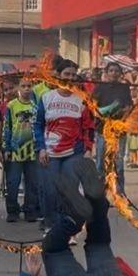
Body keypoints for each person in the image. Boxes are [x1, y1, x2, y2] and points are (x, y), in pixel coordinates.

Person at [15, 158, 138, 276]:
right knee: (54, 249)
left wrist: (113, 264)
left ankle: (97, 206)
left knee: (98, 243)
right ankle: (73, 219)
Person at [34, 59, 94, 231]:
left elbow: (88, 127)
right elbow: (38, 125)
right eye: (66, 74)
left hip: (73, 153)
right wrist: (41, 148)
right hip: (50, 153)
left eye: (74, 75)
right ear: (58, 76)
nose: (70, 77)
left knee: (68, 192)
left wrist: (88, 149)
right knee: (50, 191)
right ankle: (51, 226)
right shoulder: (46, 98)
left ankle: (67, 229)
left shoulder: (82, 100)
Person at [0, 78, 40, 223]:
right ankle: (12, 210)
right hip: (16, 151)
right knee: (12, 182)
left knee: (32, 183)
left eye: (29, 86)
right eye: (23, 86)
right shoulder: (11, 106)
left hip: (33, 150)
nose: (26, 89)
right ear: (18, 87)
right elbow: (7, 128)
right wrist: (6, 148)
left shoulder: (37, 106)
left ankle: (30, 209)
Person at [93, 60, 132, 194]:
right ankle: (100, 193)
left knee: (118, 165)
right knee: (100, 163)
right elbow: (93, 107)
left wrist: (123, 117)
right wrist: (105, 112)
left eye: (116, 71)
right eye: (111, 71)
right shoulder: (100, 87)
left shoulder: (124, 88)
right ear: (106, 73)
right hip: (102, 130)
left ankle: (120, 193)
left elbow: (128, 106)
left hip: (118, 131)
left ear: (120, 74)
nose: (114, 73)